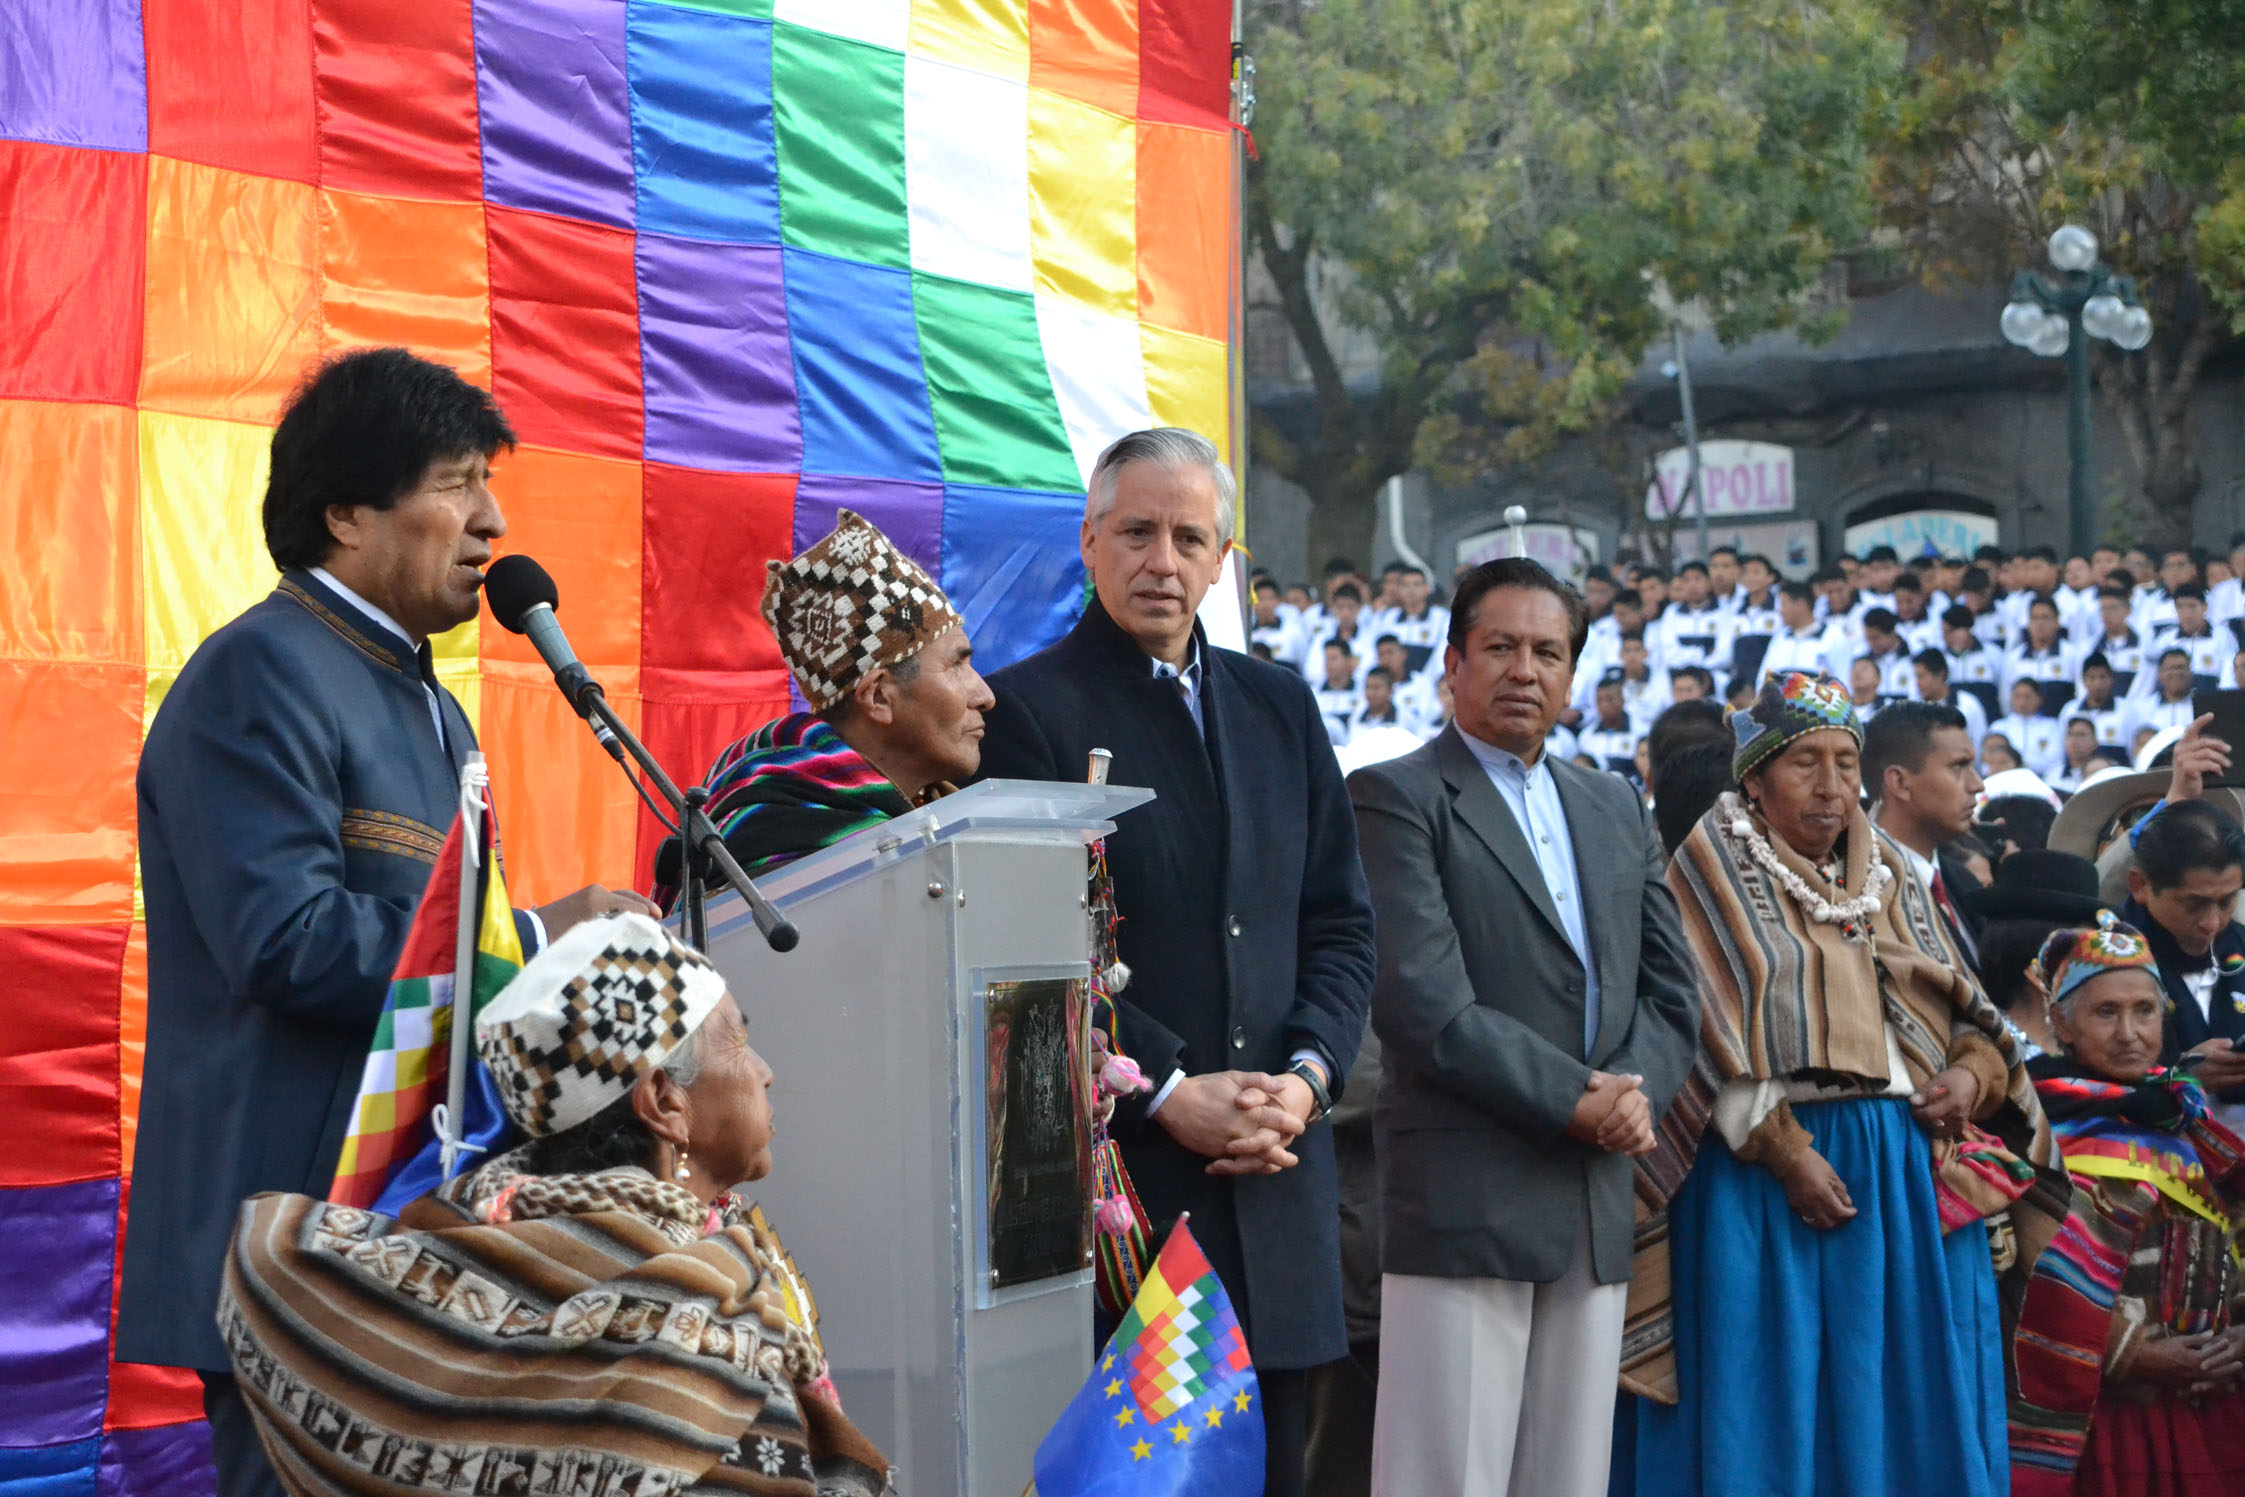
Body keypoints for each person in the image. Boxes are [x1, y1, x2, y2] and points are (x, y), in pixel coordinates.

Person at [117, 348, 649, 1497]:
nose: (491, 521)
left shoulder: (435, 709)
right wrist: (537, 941)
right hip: (296, 1245)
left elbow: (447, 964)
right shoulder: (259, 672)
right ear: (345, 513)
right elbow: (286, 939)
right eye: (457, 483)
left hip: (419, 1240)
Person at [977, 427, 1377, 1497]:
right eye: (1138, 532)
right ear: (1091, 541)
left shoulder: (1279, 707)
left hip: (1281, 1189)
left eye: (1188, 537)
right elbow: (1028, 960)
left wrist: (1304, 1082)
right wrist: (1161, 1091)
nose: (1162, 560)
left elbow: (1339, 925)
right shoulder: (1028, 712)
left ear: (1222, 557)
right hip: (1134, 1208)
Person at [216, 913, 892, 1497]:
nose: (763, 1070)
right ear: (664, 1102)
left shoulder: (452, 1244)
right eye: (738, 1043)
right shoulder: (705, 1320)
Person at [1628, 671, 2067, 1497]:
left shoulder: (1890, 877)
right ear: (1753, 778)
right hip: (1760, 1187)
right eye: (1803, 763)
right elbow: (1692, 1038)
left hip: (1898, 1175)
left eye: (1843, 761)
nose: (1831, 786)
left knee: (1895, 1393)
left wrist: (1971, 1076)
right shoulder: (1706, 876)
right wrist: (1782, 1148)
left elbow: (1965, 1010)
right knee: (1771, 1399)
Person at [1349, 558, 1700, 1497]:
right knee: (1445, 1477)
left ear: (1572, 675)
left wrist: (1631, 1099)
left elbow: (1673, 994)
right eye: (1499, 646)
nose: (1523, 669)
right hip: (1468, 1191)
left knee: (1567, 1479)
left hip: (1592, 1195)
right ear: (1451, 664)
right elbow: (1425, 1003)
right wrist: (1577, 1100)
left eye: (1547, 651)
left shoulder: (1616, 802)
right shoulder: (1395, 797)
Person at [2023, 916, 2245, 1496]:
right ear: (2061, 1026)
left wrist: (2237, 1339)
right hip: (2106, 1416)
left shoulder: (2187, 1115)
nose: (2129, 1033)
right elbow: (2022, 1276)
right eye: (2105, 1013)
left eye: (2144, 1010)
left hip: (2214, 1401)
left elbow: (2235, 1234)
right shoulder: (2032, 1129)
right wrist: (2134, 1356)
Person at [662, 510, 993, 893]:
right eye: (956, 665)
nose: (986, 696)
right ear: (879, 697)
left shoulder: (936, 815)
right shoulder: (772, 844)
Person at [1863, 701, 1985, 957]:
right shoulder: (1858, 890)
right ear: (1900, 782)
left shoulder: (1963, 881)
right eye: (1959, 766)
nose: (1977, 784)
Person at [1915, 647, 1990, 747]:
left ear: (1940, 675)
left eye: (1921, 676)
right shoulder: (1915, 709)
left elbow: (1979, 743)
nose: (1918, 683)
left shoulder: (1968, 704)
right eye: (1916, 677)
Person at [1994, 679, 2065, 781]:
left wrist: (2020, 764)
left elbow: (2055, 761)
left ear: (2039, 699)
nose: (2022, 702)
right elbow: (1988, 761)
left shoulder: (2051, 726)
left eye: (2028, 697)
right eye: (2017, 696)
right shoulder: (1999, 727)